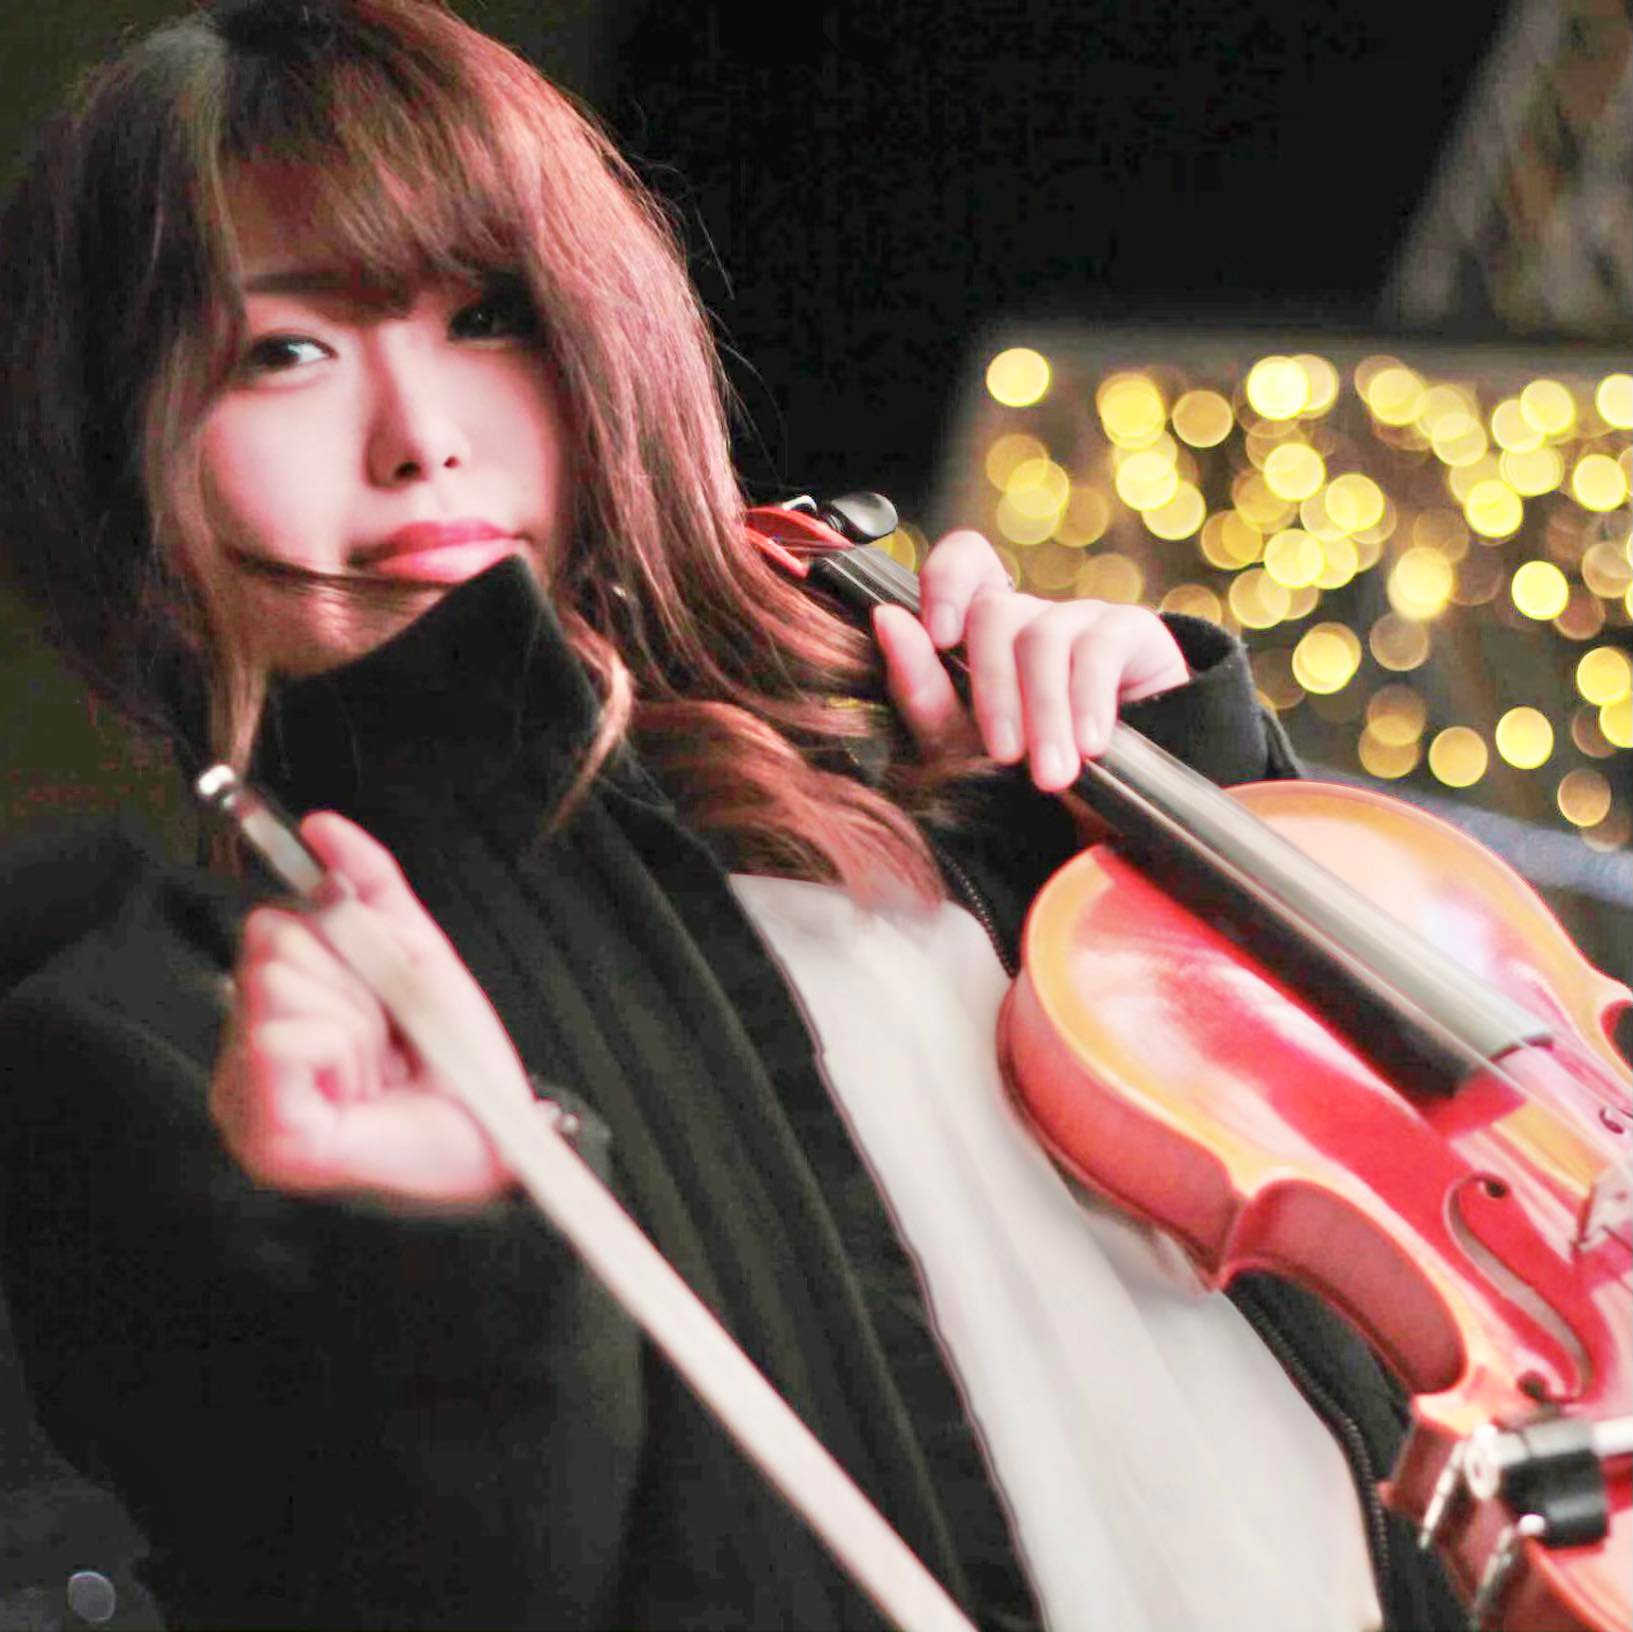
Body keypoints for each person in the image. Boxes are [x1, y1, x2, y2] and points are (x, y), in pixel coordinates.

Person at [0, 2, 1462, 1628]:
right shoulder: (145, 1036)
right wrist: (447, 1251)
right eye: (285, 352)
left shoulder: (907, 752)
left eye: (488, 318)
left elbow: (1424, 1237)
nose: (422, 441)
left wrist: (1172, 780)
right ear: (120, 446)